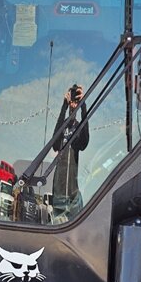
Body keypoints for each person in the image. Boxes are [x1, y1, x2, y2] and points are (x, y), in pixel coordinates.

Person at [51, 84, 89, 222]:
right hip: (59, 190)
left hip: (73, 191)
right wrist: (64, 106)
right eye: (71, 101)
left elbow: (84, 143)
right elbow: (55, 144)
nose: (73, 104)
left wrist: (83, 106)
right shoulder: (63, 125)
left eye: (76, 101)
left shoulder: (79, 126)